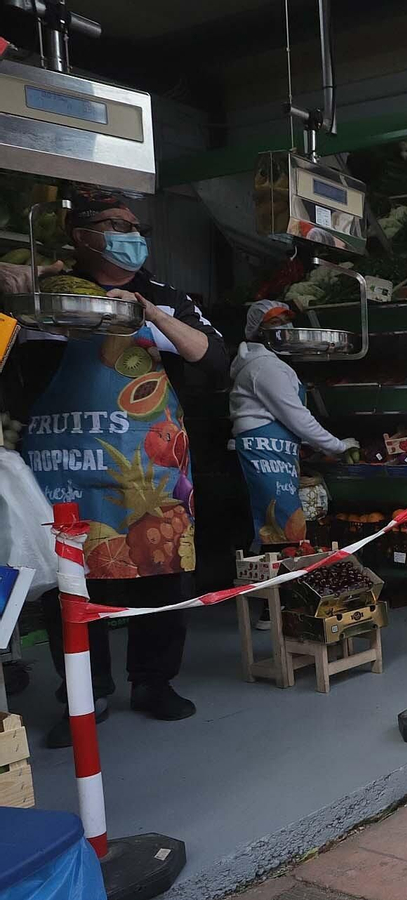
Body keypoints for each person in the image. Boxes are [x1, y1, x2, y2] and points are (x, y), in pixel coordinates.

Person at [0, 188, 228, 748]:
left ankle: (153, 682)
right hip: (60, 460)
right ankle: (85, 691)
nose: (132, 235)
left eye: (136, 227)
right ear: (82, 236)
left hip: (146, 464)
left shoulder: (165, 297)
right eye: (116, 224)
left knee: (161, 571)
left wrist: (147, 314)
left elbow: (214, 358)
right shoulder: (44, 295)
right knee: (68, 584)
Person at [230, 300, 360, 628]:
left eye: (288, 320)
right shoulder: (265, 367)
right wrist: (336, 445)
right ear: (260, 331)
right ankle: (273, 609)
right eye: (276, 322)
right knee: (280, 530)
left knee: (273, 530)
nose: (285, 328)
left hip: (274, 449)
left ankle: (274, 605)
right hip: (264, 452)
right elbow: (297, 417)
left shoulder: (269, 363)